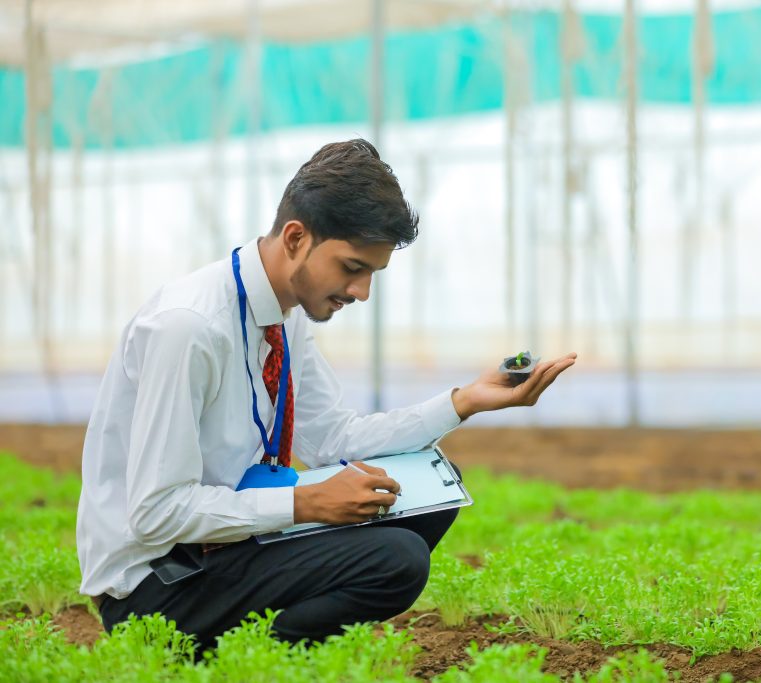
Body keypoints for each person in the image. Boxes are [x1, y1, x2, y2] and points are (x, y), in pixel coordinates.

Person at [77, 139, 577, 648]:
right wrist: (305, 503)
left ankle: (263, 643)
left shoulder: (280, 316)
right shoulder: (190, 329)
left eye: (372, 275)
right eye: (352, 268)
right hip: (160, 585)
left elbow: (331, 437)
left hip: (223, 543)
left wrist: (464, 401)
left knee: (427, 492)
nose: (361, 292)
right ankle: (237, 659)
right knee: (397, 560)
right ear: (296, 238)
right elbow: (155, 513)